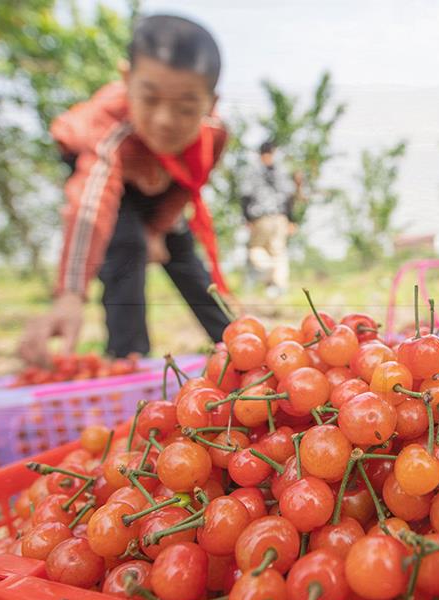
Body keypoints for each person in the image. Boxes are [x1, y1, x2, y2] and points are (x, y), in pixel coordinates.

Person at [19, 14, 232, 365]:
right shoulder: (109, 125)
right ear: (126, 80)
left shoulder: (215, 135)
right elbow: (90, 206)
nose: (165, 120)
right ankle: (129, 358)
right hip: (101, 173)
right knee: (125, 245)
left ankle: (238, 347)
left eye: (186, 107)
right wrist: (71, 295)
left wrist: (158, 230)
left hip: (160, 184)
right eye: (150, 99)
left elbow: (188, 186)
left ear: (210, 103)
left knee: (185, 259)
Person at [240, 141, 301, 298]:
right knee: (278, 252)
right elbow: (289, 196)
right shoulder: (281, 170)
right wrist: (290, 219)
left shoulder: (252, 170)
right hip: (280, 217)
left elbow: (245, 195)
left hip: (261, 217)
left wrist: (246, 218)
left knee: (256, 249)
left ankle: (270, 272)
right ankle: (278, 286)